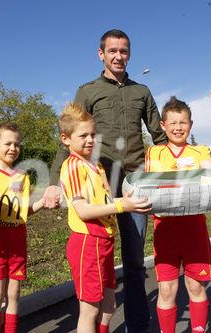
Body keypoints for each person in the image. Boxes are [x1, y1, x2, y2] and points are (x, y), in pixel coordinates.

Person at [45, 29, 166, 332]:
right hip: (101, 183)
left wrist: (185, 164)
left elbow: (159, 136)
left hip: (136, 184)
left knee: (136, 262)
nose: (118, 56)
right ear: (101, 54)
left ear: (129, 53)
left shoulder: (143, 92)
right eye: (112, 51)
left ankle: (137, 326)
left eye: (123, 51)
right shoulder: (88, 91)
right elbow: (71, 136)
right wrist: (51, 181)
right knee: (102, 257)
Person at [58, 102, 151, 333]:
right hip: (87, 243)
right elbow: (83, 211)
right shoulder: (73, 166)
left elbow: (107, 203)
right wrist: (123, 206)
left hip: (105, 241)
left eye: (93, 134)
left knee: (108, 306)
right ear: (66, 139)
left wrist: (126, 200)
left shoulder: (96, 165)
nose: (90, 140)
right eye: (83, 135)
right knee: (89, 311)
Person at [145, 97, 211, 332]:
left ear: (191, 124)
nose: (178, 127)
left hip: (194, 229)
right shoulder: (154, 152)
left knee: (196, 287)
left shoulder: (201, 150)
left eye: (183, 122)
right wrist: (192, 180)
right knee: (166, 290)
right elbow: (155, 183)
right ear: (163, 126)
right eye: (173, 123)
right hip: (165, 230)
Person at [0, 123, 45, 333]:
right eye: (7, 143)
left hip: (17, 238)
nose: (13, 148)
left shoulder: (22, 176)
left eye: (17, 144)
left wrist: (42, 203)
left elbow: (24, 211)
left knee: (14, 293)